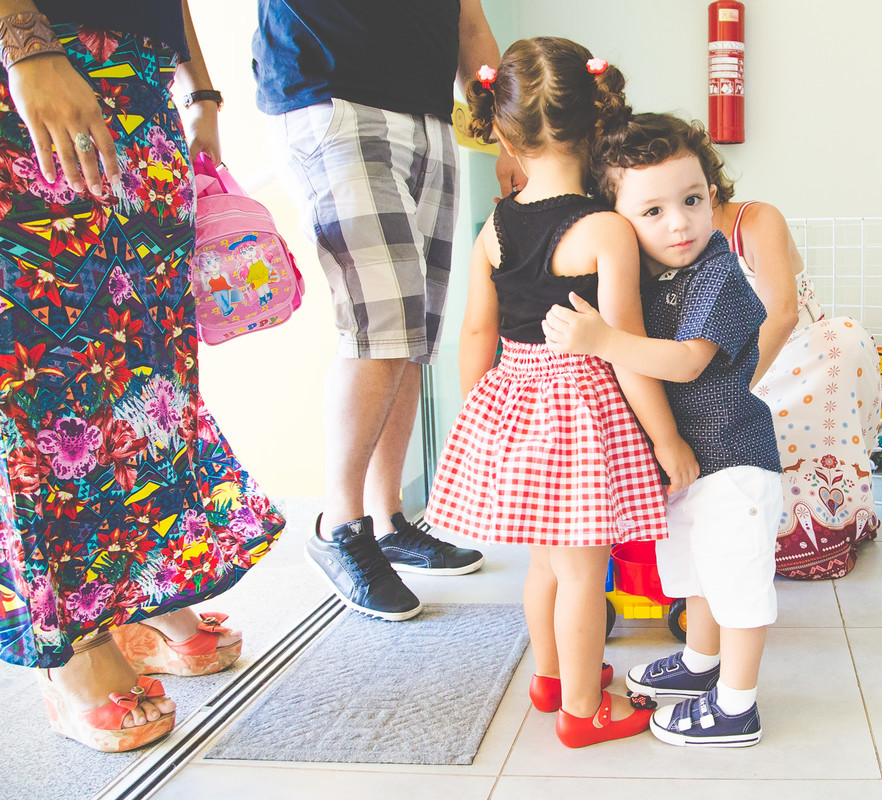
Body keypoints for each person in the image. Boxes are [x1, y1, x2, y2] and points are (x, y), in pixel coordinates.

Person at [0, 0, 284, 752]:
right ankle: (68, 641)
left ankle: (136, 594)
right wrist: (23, 46)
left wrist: (200, 92)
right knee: (43, 372)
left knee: (142, 367)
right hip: (38, 59)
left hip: (139, 77)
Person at [423, 37, 699, 748]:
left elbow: (476, 335)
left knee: (545, 562)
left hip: (512, 397)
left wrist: (475, 425)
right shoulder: (604, 228)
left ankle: (551, 679)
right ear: (599, 123)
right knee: (584, 570)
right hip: (577, 411)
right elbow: (628, 349)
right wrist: (667, 439)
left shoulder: (496, 224)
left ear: (504, 129)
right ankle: (583, 711)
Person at [252, 0, 519, 620]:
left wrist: (512, 136)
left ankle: (385, 513)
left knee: (415, 327)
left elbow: (468, 21)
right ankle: (337, 526)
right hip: (330, 98)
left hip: (429, 116)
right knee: (380, 323)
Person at [542, 113, 783, 747]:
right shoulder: (644, 275)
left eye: (693, 200)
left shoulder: (718, 273)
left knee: (736, 585)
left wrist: (602, 339)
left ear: (713, 194)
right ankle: (703, 665)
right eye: (653, 212)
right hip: (689, 465)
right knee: (696, 575)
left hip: (735, 460)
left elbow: (687, 360)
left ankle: (737, 706)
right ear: (620, 218)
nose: (679, 222)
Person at [698, 119, 882, 580]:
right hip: (722, 366)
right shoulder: (667, 242)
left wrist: (734, 390)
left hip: (798, 355)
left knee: (842, 338)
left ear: (711, 183)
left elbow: (781, 313)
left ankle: (823, 527)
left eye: (691, 194)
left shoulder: (756, 220)